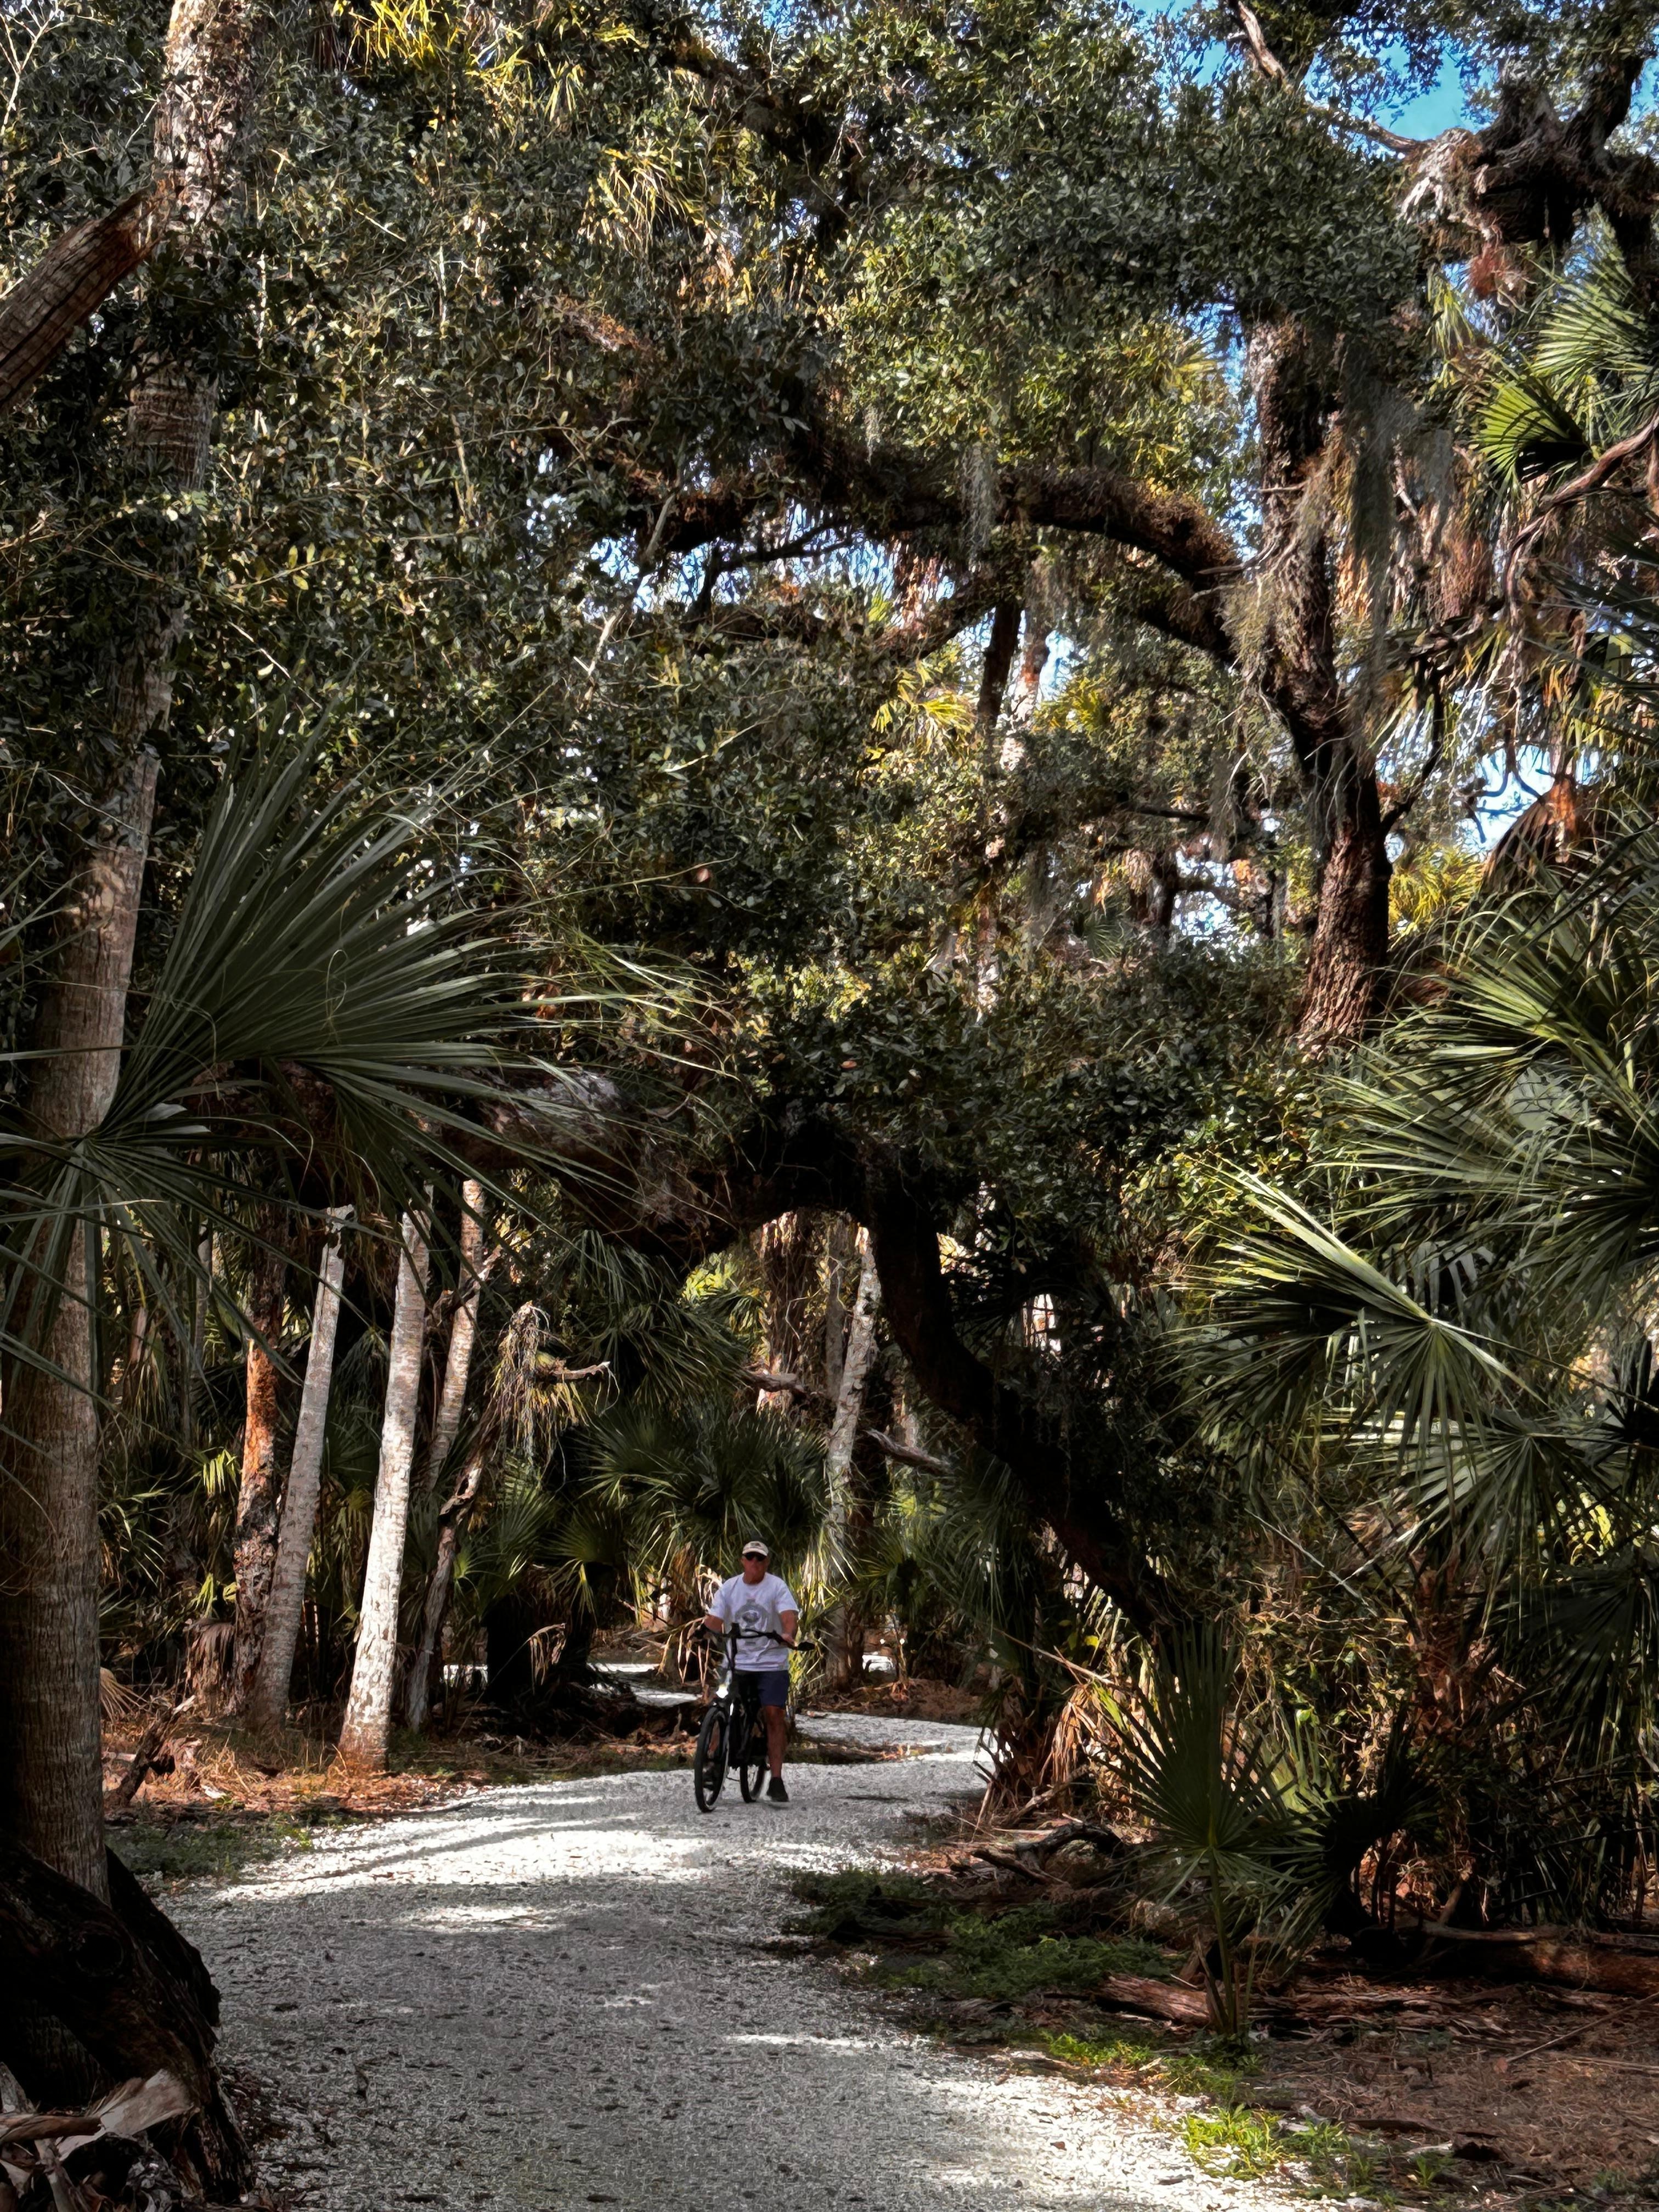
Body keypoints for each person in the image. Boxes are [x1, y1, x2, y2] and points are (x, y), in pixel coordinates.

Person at [704, 1539, 799, 1802]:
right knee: (720, 1702)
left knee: (773, 1714)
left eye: (760, 1558)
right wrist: (703, 1628)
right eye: (750, 1557)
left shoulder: (777, 1587)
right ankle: (713, 1761)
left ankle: (777, 1779)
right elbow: (714, 1618)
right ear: (742, 1560)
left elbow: (789, 1617)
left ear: (766, 1562)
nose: (754, 1563)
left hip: (771, 1664)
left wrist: (788, 1634)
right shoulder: (730, 1587)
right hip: (734, 1663)